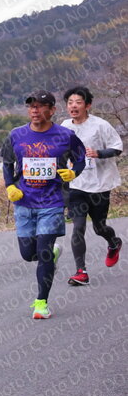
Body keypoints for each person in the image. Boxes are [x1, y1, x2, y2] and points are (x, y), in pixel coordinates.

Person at [1, 90, 85, 319]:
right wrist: (10, 186)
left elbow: (80, 158)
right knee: (28, 253)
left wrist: (74, 172)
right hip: (24, 202)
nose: (35, 110)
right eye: (32, 106)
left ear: (52, 110)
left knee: (44, 252)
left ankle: (41, 303)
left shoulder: (65, 135)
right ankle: (52, 253)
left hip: (52, 202)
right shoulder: (16, 135)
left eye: (40, 106)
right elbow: (7, 163)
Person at [60, 86, 123, 285]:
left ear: (87, 105)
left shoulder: (100, 125)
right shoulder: (65, 126)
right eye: (70, 103)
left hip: (99, 184)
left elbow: (117, 147)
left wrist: (99, 153)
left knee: (99, 227)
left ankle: (114, 242)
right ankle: (81, 272)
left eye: (78, 102)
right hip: (76, 183)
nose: (73, 106)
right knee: (78, 227)